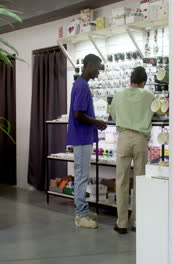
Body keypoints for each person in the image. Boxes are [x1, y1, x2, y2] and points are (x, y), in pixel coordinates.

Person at [110, 66, 155, 234]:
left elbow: (113, 116)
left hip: (123, 138)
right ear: (144, 82)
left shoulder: (119, 95)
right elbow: (154, 114)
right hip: (141, 139)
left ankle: (121, 223)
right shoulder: (149, 96)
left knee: (121, 181)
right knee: (140, 181)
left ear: (131, 80)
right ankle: (137, 221)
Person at [67, 54, 107, 229]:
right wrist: (96, 122)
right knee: (82, 177)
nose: (99, 71)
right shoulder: (82, 86)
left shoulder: (80, 84)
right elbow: (78, 114)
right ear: (89, 65)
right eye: (97, 67)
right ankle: (81, 215)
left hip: (83, 137)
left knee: (82, 175)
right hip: (82, 138)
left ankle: (82, 210)